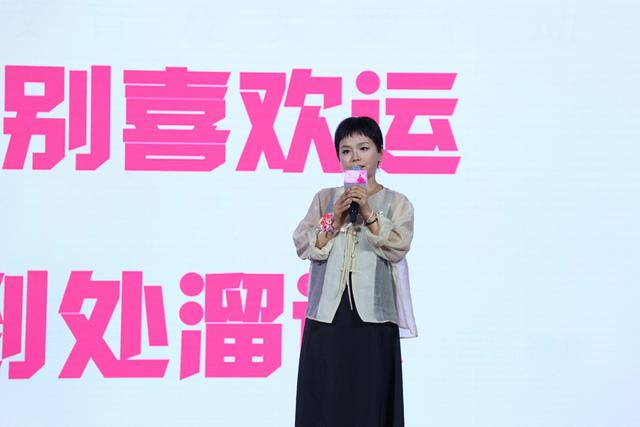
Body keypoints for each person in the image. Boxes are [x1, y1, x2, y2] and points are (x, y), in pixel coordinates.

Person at [293, 116, 418, 427]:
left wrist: (368, 213)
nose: (355, 157)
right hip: (327, 317)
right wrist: (334, 220)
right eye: (346, 151)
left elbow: (398, 246)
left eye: (364, 148)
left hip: (374, 318)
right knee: (324, 400)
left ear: (380, 153)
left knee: (369, 401)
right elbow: (304, 243)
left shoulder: (397, 202)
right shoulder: (325, 198)